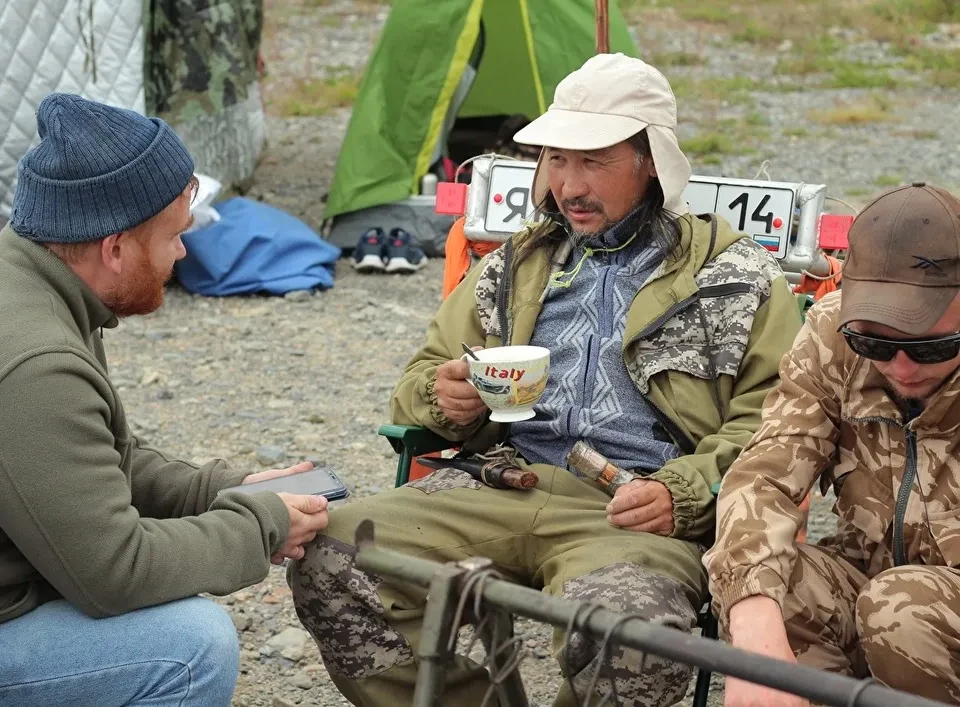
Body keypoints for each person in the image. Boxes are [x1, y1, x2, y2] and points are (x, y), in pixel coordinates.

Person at [289, 53, 802, 707]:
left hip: (632, 511)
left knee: (637, 634)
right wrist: (445, 398)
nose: (570, 185)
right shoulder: (517, 262)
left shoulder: (733, 276)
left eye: (593, 161)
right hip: (499, 482)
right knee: (329, 553)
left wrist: (683, 491)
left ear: (651, 161)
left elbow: (777, 425)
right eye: (557, 159)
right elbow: (419, 379)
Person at [0, 93, 329, 706]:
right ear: (115, 247)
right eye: (173, 236)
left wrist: (223, 489)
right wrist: (263, 525)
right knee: (191, 645)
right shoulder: (30, 362)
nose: (182, 253)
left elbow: (92, 463)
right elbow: (115, 573)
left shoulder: (20, 283)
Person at [705, 182, 960, 707]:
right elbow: (764, 475)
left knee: (899, 609)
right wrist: (753, 633)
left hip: (920, 615)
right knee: (763, 584)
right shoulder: (831, 333)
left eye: (932, 347)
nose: (901, 367)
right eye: (874, 342)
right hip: (869, 582)